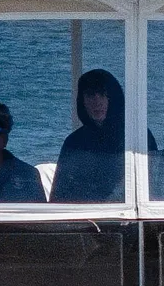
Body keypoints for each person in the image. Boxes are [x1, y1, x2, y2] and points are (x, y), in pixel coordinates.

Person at [49, 68, 129, 203]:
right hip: (82, 218)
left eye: (103, 95)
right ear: (83, 101)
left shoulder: (135, 136)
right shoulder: (74, 142)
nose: (97, 102)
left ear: (114, 99)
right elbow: (59, 195)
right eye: (90, 95)